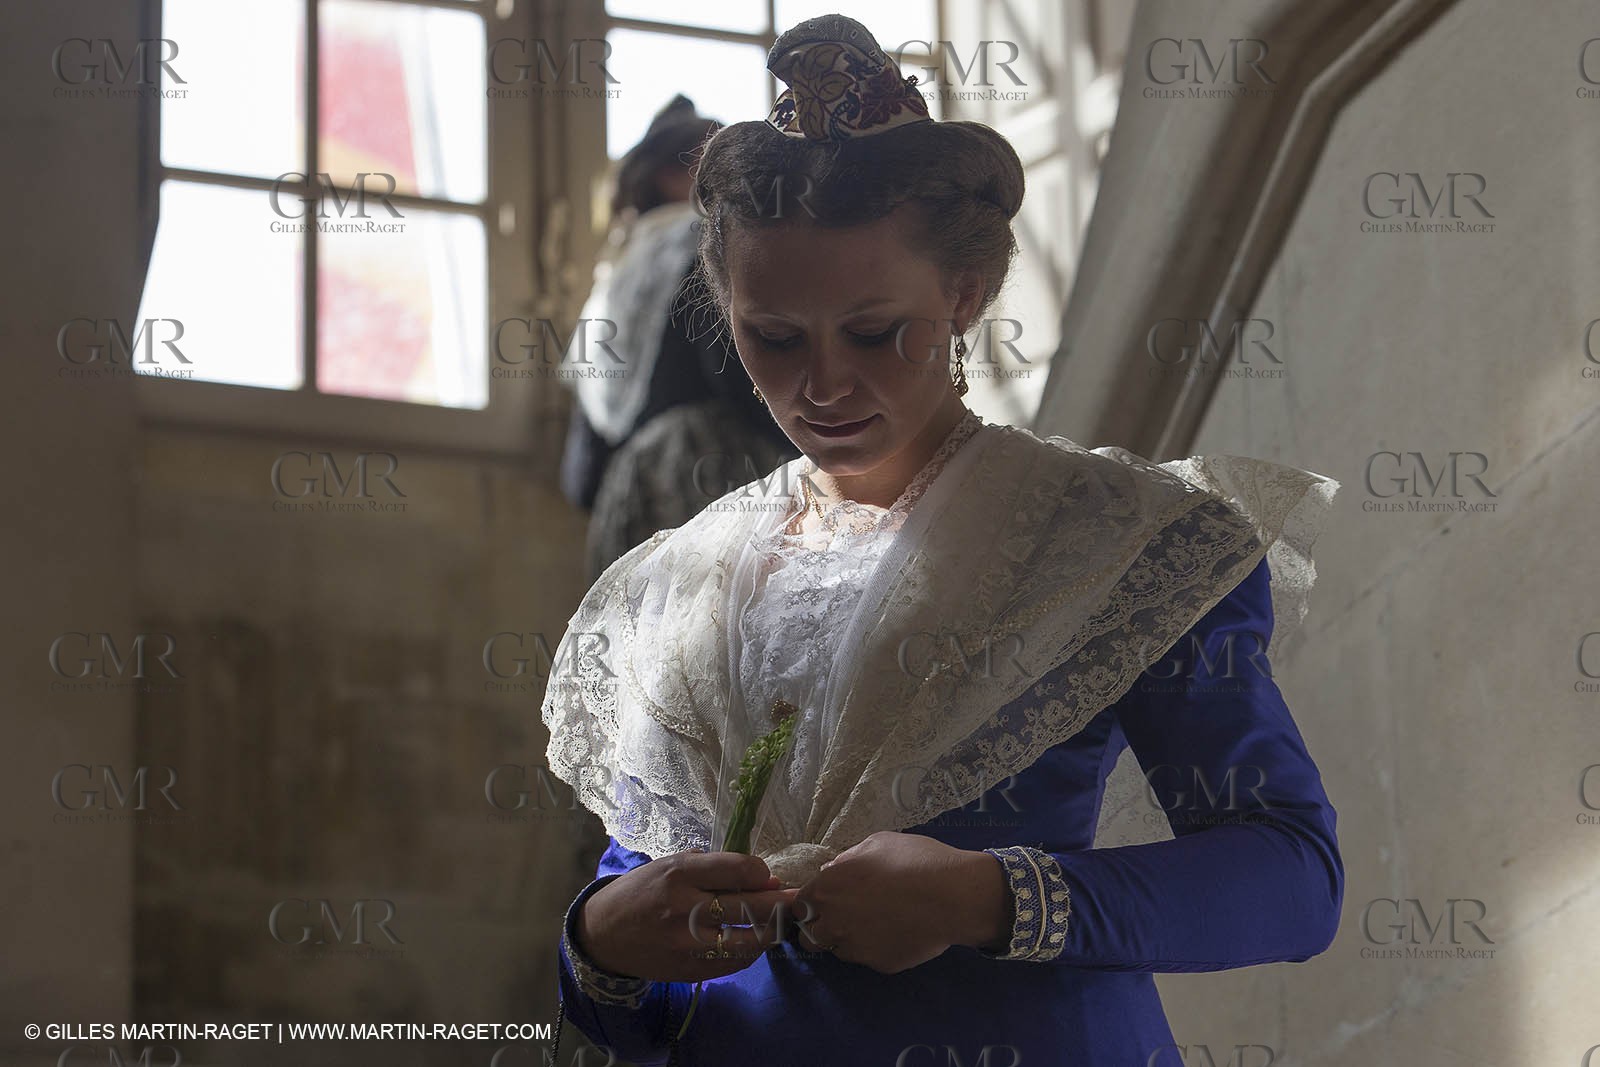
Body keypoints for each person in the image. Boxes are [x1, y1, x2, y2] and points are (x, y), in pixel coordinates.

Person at [541, 14, 1344, 1066]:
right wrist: (596, 937)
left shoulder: (1104, 534)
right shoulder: (674, 582)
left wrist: (992, 895)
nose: (821, 384)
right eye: (772, 336)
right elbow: (630, 972)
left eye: (874, 331)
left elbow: (1292, 878)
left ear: (964, 295)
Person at [559, 94, 798, 579]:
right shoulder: (702, 244)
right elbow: (736, 372)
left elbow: (580, 475)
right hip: (706, 473)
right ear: (673, 175)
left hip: (628, 496)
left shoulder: (615, 276)